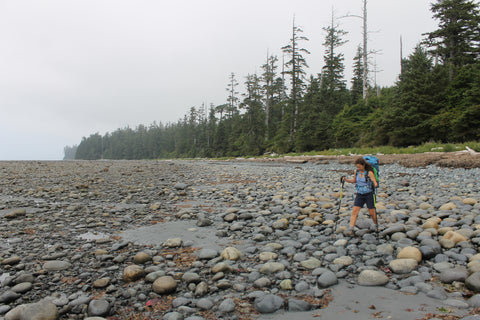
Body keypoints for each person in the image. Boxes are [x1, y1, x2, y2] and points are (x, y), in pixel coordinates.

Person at [342, 157, 378, 230]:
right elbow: (354, 180)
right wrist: (346, 180)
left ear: (363, 165)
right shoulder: (357, 171)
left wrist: (373, 184)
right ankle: (351, 228)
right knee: (355, 211)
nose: (358, 168)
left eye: (359, 166)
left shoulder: (369, 173)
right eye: (357, 166)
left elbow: (375, 183)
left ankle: (376, 224)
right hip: (359, 194)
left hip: (369, 194)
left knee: (372, 213)